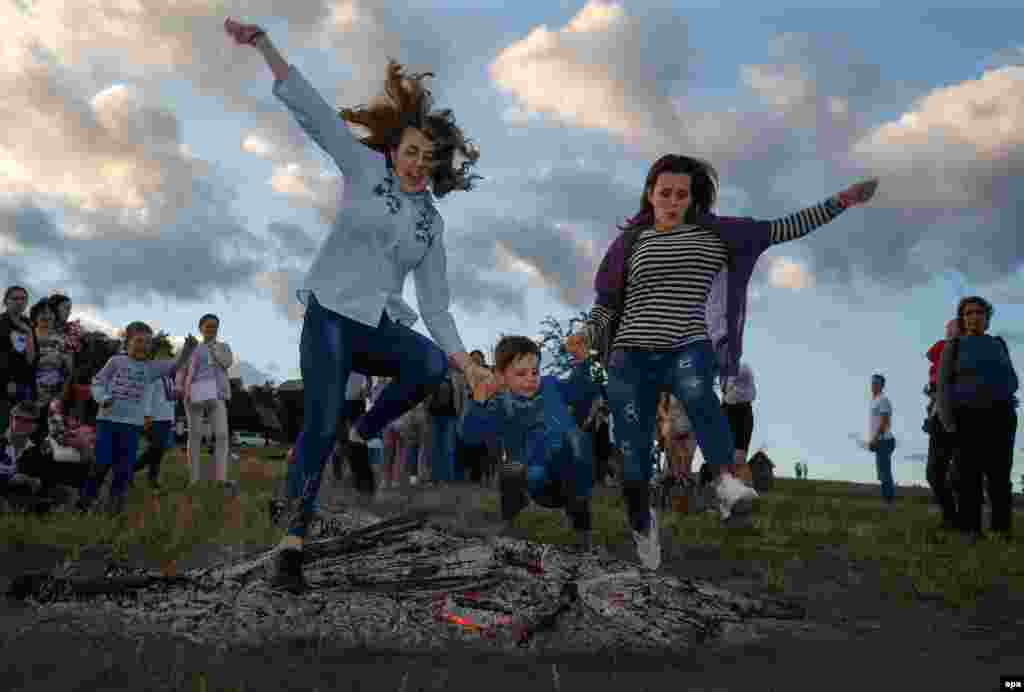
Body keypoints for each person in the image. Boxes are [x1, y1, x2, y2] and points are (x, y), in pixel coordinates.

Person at [223, 17, 487, 593]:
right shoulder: (364, 170)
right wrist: (266, 45)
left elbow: (436, 307)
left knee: (426, 364)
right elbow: (315, 114)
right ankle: (291, 543)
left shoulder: (431, 224)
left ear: (437, 165)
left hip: (377, 325)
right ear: (395, 151)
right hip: (330, 317)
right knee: (316, 423)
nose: (419, 162)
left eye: (429, 157)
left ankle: (360, 433)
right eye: (412, 152)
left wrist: (467, 363)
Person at [570, 153, 878, 569]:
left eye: (682, 194)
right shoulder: (631, 242)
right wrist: (587, 333)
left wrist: (841, 201)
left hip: (688, 343)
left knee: (699, 392)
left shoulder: (718, 234)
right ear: (650, 194)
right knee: (635, 455)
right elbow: (606, 305)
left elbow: (783, 228)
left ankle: (723, 481)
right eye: (665, 193)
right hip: (632, 353)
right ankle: (642, 523)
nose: (673, 201)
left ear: (694, 198)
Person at [461, 335, 602, 552]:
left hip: (567, 473)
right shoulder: (501, 403)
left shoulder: (551, 386)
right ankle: (509, 523)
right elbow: (471, 435)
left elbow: (582, 391)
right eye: (521, 373)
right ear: (501, 376)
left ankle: (582, 534)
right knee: (513, 468)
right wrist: (479, 398)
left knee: (575, 441)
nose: (530, 379)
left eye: (534, 372)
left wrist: (582, 361)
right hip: (532, 479)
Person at [79, 322, 197, 513]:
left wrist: (188, 349)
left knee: (124, 467)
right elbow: (98, 382)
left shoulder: (151, 368)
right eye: (139, 341)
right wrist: (102, 398)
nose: (143, 345)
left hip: (132, 426)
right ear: (127, 342)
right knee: (101, 463)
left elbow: (175, 364)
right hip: (107, 421)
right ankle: (85, 501)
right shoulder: (116, 361)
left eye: (148, 342)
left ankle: (114, 506)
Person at [936, 296, 1018, 541]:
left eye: (979, 312)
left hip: (1000, 417)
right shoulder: (954, 346)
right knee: (967, 476)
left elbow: (1012, 380)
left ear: (987, 317)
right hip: (966, 418)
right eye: (968, 313)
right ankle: (971, 530)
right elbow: (943, 387)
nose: (974, 317)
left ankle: (1001, 529)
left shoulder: (998, 344)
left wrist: (1000, 395)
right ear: (962, 318)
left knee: (999, 477)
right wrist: (948, 421)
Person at [177, 314, 233, 485]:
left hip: (216, 394)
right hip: (195, 392)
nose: (211, 329)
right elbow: (180, 369)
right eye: (208, 326)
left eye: (215, 326)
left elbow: (227, 363)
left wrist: (214, 351)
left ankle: (221, 478)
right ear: (200, 328)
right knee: (195, 434)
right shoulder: (192, 347)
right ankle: (194, 478)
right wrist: (179, 387)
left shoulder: (223, 347)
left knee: (222, 435)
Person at [925, 318, 960, 529]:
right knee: (934, 472)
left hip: (965, 414)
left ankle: (962, 522)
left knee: (961, 472)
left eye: (952, 328)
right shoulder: (942, 348)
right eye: (947, 328)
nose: (949, 331)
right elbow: (931, 356)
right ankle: (951, 516)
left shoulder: (967, 351)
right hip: (940, 412)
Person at [134, 336, 177, 490]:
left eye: (167, 354)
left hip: (167, 418)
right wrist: (146, 415)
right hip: (154, 417)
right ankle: (130, 470)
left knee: (160, 451)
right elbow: (147, 395)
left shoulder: (170, 378)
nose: (164, 357)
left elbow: (170, 399)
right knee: (156, 448)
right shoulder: (152, 373)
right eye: (161, 354)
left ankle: (152, 479)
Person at [30, 299, 72, 442]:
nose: (47, 316)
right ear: (35, 316)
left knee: (49, 437)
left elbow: (68, 371)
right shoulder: (27, 336)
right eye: (42, 313)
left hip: (53, 395)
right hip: (28, 394)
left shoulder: (62, 340)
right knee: (23, 433)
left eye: (50, 313)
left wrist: (62, 395)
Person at [0, 286, 37, 436]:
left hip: (24, 387)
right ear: (5, 301)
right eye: (14, 298)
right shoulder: (1, 324)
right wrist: (6, 381)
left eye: (23, 299)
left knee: (19, 435)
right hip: (4, 387)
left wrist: (28, 333)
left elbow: (31, 358)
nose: (19, 302)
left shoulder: (28, 324)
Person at [866, 374, 896, 504]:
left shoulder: (883, 400)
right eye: (872, 383)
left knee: (884, 473)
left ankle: (888, 501)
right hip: (879, 440)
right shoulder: (874, 400)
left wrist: (875, 439)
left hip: (884, 440)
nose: (873, 385)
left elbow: (884, 423)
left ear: (882, 385)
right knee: (881, 472)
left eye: (877, 383)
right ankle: (886, 500)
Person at [721, 362, 756, 473]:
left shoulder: (743, 368)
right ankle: (728, 480)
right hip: (729, 409)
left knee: (739, 454)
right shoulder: (723, 371)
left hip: (741, 410)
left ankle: (736, 481)